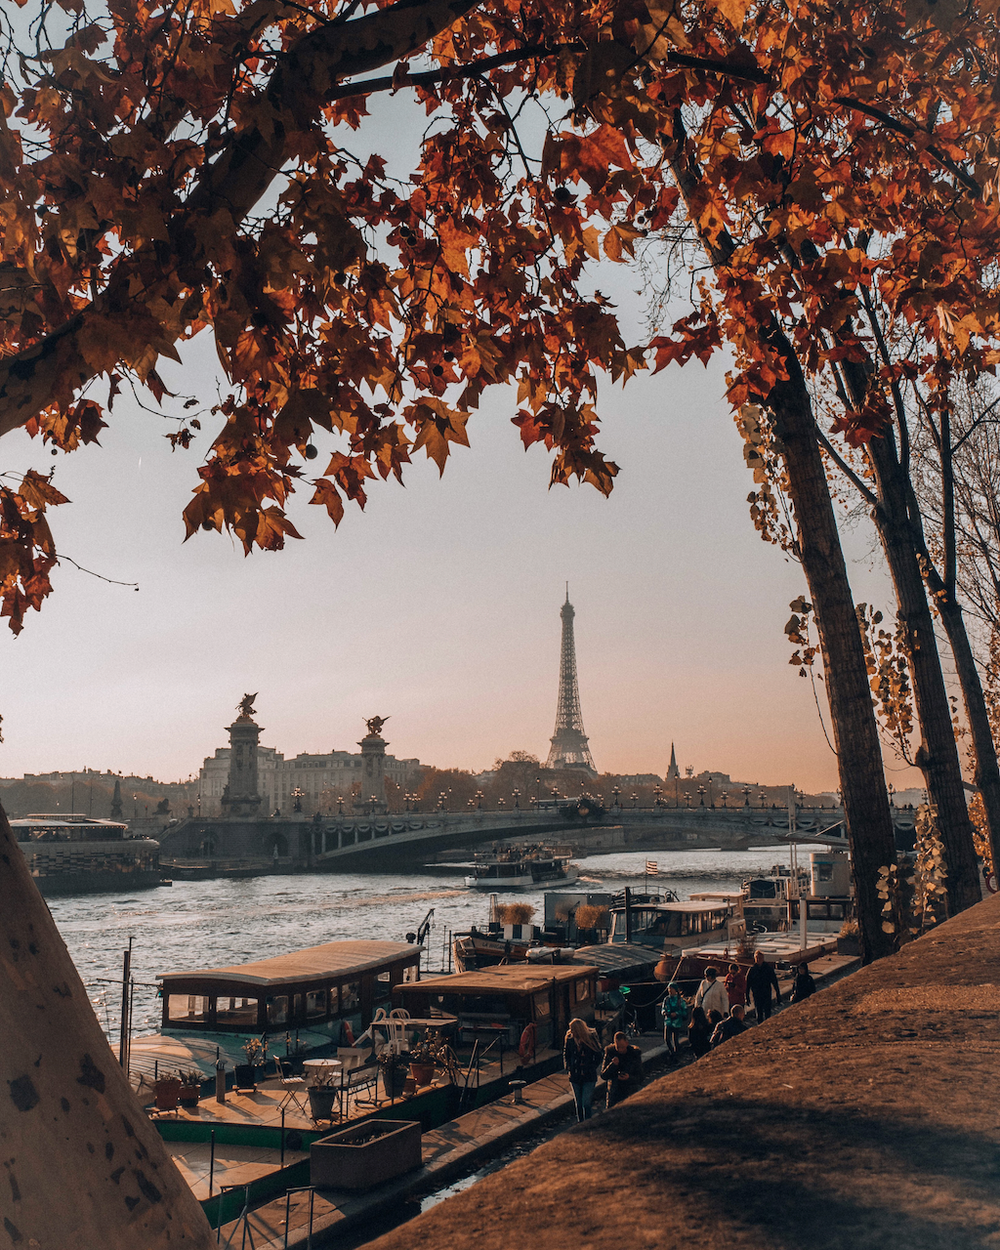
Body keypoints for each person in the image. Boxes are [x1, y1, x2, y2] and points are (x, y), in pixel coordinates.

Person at [563, 1018, 602, 1122]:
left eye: (573, 1030)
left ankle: (587, 1122)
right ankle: (580, 1122)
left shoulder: (590, 1039)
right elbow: (566, 1054)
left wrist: (591, 1066)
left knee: (586, 1102)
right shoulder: (570, 1040)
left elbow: (598, 1055)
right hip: (575, 1076)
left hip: (588, 1076)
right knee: (578, 1103)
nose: (571, 1032)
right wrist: (568, 1066)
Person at [600, 1031, 643, 1108]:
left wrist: (629, 1078)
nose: (620, 1050)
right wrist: (612, 1065)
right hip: (614, 1091)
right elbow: (604, 1075)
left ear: (627, 1043)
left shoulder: (634, 1054)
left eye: (622, 1047)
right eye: (618, 1047)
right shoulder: (610, 1053)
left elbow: (640, 1076)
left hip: (630, 1090)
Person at [745, 950, 782, 1022]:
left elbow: (774, 982)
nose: (758, 960)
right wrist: (747, 997)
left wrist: (778, 994)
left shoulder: (768, 969)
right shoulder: (752, 970)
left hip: (766, 994)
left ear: (763, 958)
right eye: (757, 958)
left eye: (760, 958)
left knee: (768, 1013)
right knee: (759, 1014)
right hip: (757, 995)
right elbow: (747, 985)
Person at [660, 984, 690, 1056]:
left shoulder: (680, 1000)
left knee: (675, 1040)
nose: (670, 991)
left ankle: (676, 1054)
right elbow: (663, 1008)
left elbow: (684, 1011)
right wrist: (664, 1012)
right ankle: (672, 1052)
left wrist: (676, 1014)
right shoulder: (666, 999)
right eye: (669, 989)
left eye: (671, 989)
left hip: (676, 1022)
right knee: (666, 1039)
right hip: (668, 1021)